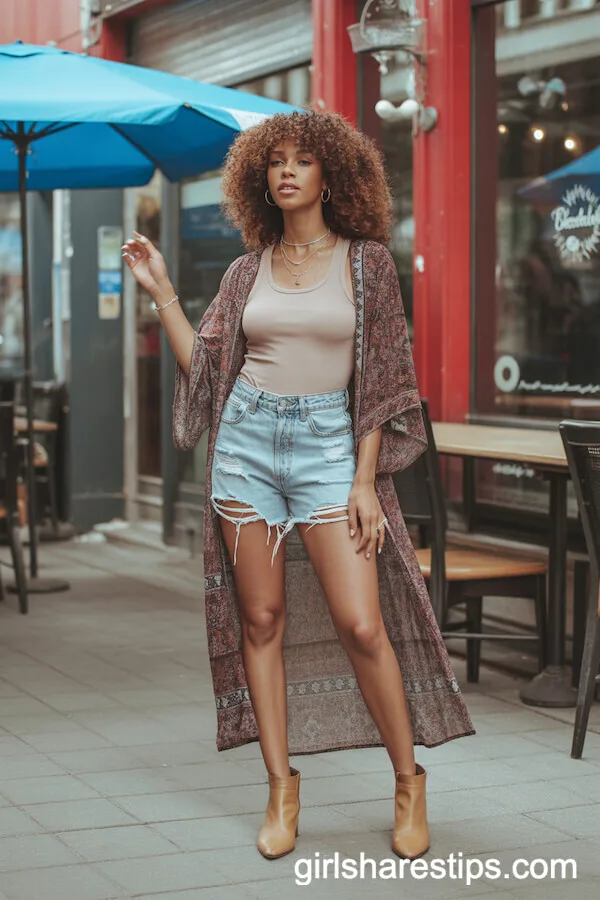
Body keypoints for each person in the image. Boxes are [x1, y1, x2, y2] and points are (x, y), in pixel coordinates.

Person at [122, 110, 475, 863]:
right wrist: (159, 289)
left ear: (330, 175)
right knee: (261, 621)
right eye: (274, 162)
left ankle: (408, 780)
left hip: (327, 450)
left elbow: (382, 380)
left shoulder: (368, 263)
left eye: (301, 162)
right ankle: (281, 786)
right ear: (262, 180)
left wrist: (364, 481)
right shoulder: (246, 270)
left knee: (361, 624)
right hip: (246, 449)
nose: (286, 172)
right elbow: (211, 371)